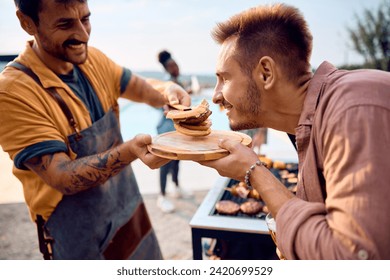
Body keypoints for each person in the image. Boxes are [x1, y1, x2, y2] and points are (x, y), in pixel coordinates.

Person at [0, 0, 191, 260]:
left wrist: (167, 91)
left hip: (130, 213)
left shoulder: (94, 60)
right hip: (78, 235)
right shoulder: (12, 92)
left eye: (85, 19)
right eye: (65, 24)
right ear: (27, 22)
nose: (83, 34)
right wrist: (132, 150)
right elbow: (61, 176)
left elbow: (141, 87)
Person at [197, 3, 390, 259]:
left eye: (225, 78)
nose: (216, 94)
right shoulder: (314, 120)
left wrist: (254, 172)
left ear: (266, 73)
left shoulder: (354, 109)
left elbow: (353, 258)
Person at [155, 50, 193, 213]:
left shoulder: (177, 81)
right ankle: (162, 197)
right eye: (171, 65)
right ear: (166, 68)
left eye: (176, 64)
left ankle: (176, 187)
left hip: (178, 129)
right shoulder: (166, 84)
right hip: (167, 130)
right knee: (164, 163)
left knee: (177, 160)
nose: (176, 67)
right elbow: (160, 103)